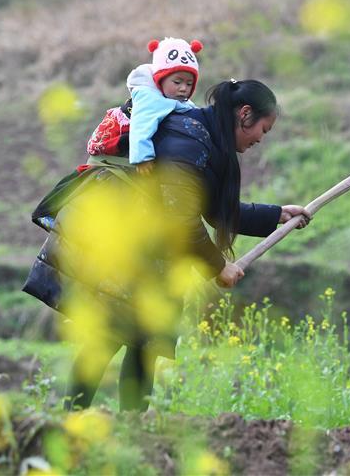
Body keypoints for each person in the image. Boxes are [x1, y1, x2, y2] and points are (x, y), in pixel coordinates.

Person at [23, 78, 311, 411]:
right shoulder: (189, 139)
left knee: (145, 339)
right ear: (245, 114)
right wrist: (218, 267)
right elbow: (182, 219)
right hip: (120, 237)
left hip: (143, 242)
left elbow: (216, 212)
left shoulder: (203, 138)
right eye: (263, 129)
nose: (261, 138)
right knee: (112, 334)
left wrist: (277, 215)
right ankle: (73, 420)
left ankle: (130, 425)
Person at [85, 37, 203, 175]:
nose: (183, 88)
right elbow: (141, 126)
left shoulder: (174, 95)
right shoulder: (148, 96)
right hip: (119, 136)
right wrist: (142, 158)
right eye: (177, 82)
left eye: (189, 84)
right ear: (160, 79)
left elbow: (189, 109)